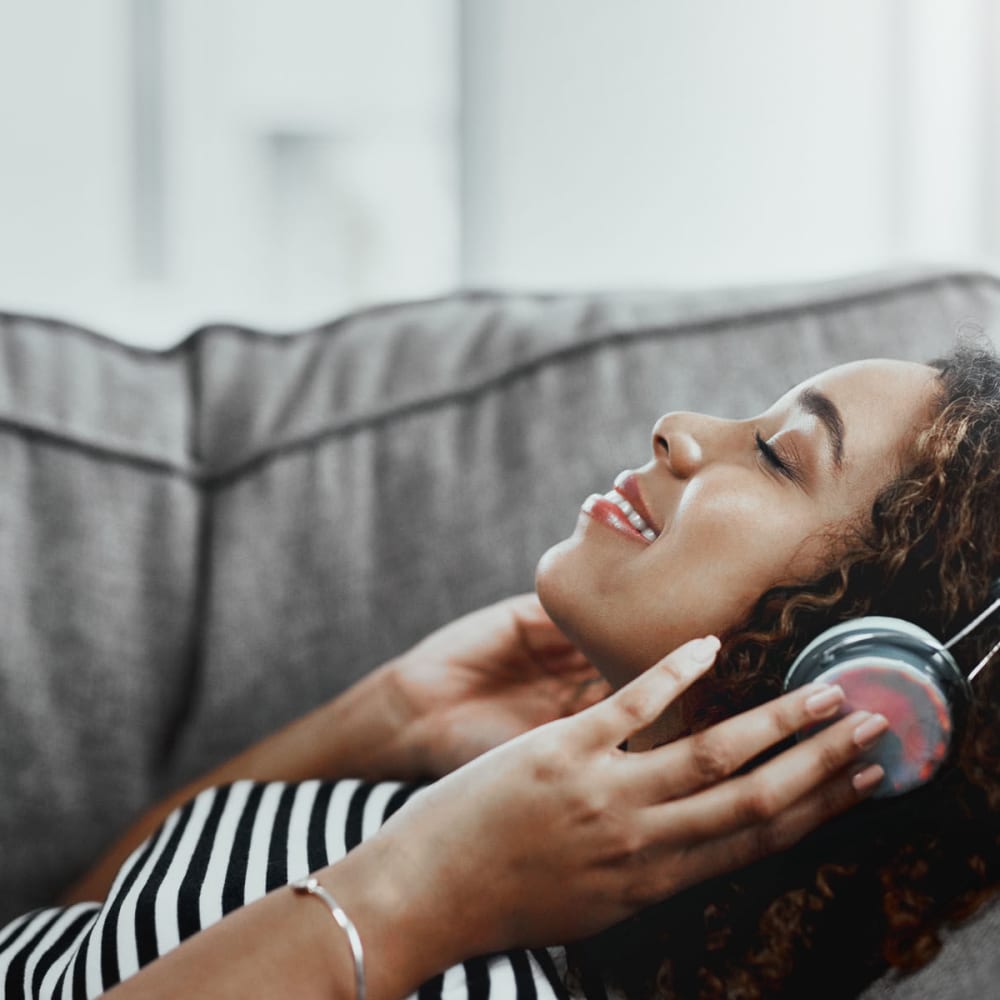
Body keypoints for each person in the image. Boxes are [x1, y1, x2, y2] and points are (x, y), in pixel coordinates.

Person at [1, 345, 998, 1000]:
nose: (679, 427)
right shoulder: (473, 813)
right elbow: (75, 941)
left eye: (776, 455)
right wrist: (388, 718)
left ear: (866, 680)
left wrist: (425, 893)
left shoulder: (475, 916)